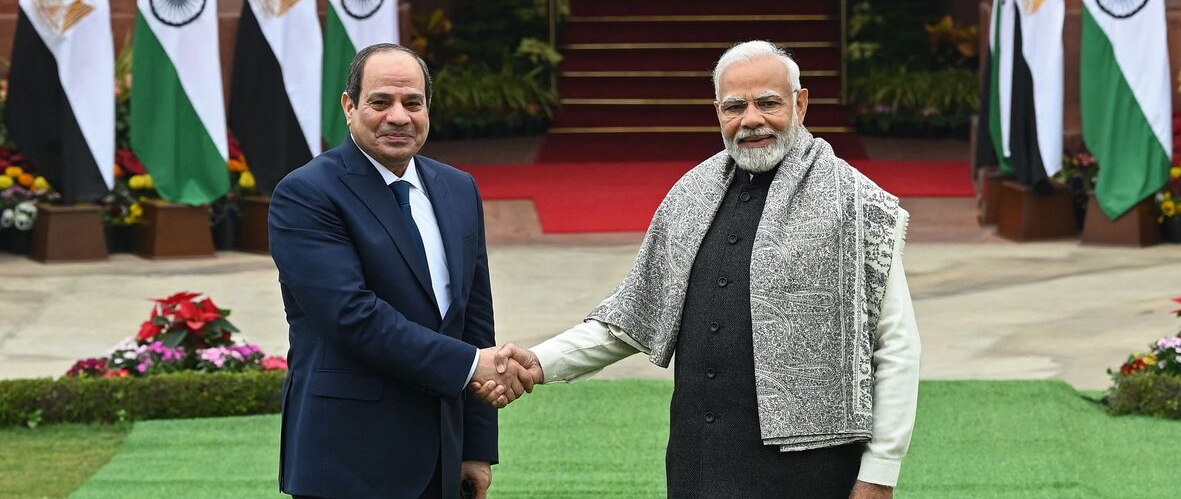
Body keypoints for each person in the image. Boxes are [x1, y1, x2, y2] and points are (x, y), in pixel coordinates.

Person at [476, 40, 921, 499]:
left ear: (801, 103)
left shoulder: (855, 203)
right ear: (717, 112)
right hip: (698, 464)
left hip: (812, 472)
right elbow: (633, 317)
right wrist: (539, 362)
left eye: (768, 103)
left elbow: (897, 346)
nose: (752, 120)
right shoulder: (692, 194)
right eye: (735, 107)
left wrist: (880, 472)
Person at [269, 43, 533, 499]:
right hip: (347, 463)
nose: (398, 116)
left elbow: (474, 320)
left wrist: (476, 447)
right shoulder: (306, 194)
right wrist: (472, 366)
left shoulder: (458, 188)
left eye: (413, 102)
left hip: (442, 460)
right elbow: (352, 316)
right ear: (349, 107)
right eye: (380, 102)